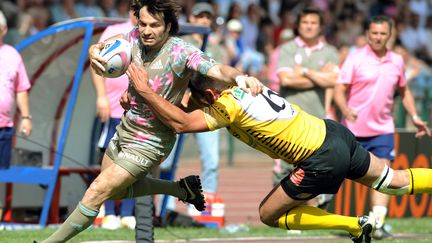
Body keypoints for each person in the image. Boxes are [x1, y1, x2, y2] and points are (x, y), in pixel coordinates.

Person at [125, 64, 431, 243]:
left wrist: (145, 91)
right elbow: (186, 103)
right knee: (397, 182)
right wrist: (146, 99)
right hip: (333, 132)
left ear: (208, 94)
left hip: (318, 156)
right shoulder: (234, 85)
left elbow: (180, 122)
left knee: (268, 214)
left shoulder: (226, 105)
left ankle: (354, 225)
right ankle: (359, 225)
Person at [41, 0, 262, 242]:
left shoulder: (181, 52)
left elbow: (218, 70)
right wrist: (95, 50)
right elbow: (105, 46)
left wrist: (241, 78)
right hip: (125, 129)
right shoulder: (134, 36)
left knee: (96, 191)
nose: (146, 30)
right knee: (116, 193)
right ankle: (180, 189)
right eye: (143, 23)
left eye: (154, 25)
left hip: (152, 141)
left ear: (168, 25)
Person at [333, 15, 430, 240]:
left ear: (390, 35)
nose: (378, 37)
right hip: (352, 130)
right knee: (333, 172)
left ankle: (377, 223)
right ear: (367, 33)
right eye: (374, 33)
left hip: (383, 129)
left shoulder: (397, 60)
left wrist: (414, 116)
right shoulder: (354, 59)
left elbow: (404, 91)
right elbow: (339, 89)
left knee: (385, 177)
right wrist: (345, 110)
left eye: (383, 33)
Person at [90, 5, 152, 237]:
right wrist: (101, 97)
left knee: (133, 161)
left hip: (137, 111)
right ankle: (108, 212)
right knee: (108, 157)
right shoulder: (115, 32)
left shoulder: (150, 36)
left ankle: (127, 212)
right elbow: (95, 64)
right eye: (135, 10)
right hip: (114, 108)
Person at [158, 2, 226, 212]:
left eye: (207, 16)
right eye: (199, 16)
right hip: (179, 107)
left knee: (212, 162)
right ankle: (166, 207)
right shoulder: (179, 44)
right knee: (168, 163)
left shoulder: (217, 49)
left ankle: (205, 208)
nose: (204, 20)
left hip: (206, 110)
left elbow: (221, 78)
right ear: (192, 19)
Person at [274, 7, 340, 208]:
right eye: (305, 22)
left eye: (313, 23)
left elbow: (334, 80)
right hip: (288, 118)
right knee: (285, 168)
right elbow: (286, 79)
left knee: (316, 167)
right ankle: (282, 214)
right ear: (298, 25)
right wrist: (319, 76)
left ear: (320, 27)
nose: (309, 26)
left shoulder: (331, 51)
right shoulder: (287, 49)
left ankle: (311, 215)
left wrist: (304, 71)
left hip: (317, 120)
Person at [0, 10, 32, 170]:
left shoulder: (13, 54)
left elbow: (21, 89)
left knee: (2, 174)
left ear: (4, 29)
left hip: (4, 129)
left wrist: (26, 117)